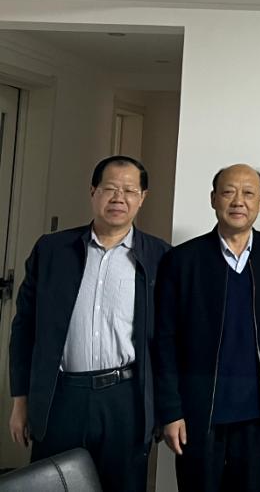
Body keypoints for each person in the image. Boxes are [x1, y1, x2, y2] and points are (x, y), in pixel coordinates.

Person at [8, 155, 170, 492]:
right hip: (62, 396)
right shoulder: (52, 250)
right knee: (55, 484)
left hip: (126, 399)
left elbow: (170, 343)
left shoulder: (161, 257)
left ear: (142, 198)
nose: (119, 198)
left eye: (129, 190)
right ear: (93, 191)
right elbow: (24, 328)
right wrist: (20, 400)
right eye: (110, 188)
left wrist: (167, 410)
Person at [153, 164, 260, 491]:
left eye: (248, 193)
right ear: (214, 199)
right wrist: (170, 411)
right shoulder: (182, 260)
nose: (238, 201)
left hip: (258, 412)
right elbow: (164, 340)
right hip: (199, 412)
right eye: (228, 192)